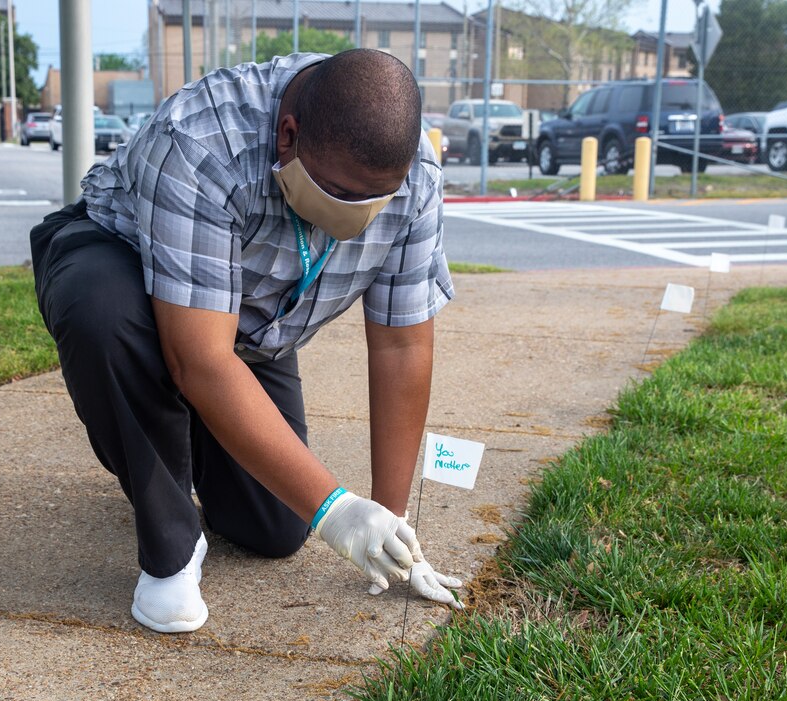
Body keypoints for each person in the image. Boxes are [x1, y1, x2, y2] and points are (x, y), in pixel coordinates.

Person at [29, 49, 462, 634]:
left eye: (374, 200)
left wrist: (390, 521)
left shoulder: (414, 177)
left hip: (247, 330)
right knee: (102, 314)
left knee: (277, 527)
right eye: (339, 193)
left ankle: (179, 438)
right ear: (289, 135)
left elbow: (401, 347)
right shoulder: (201, 138)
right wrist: (337, 509)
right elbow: (201, 361)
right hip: (121, 265)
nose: (356, 216)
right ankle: (171, 555)